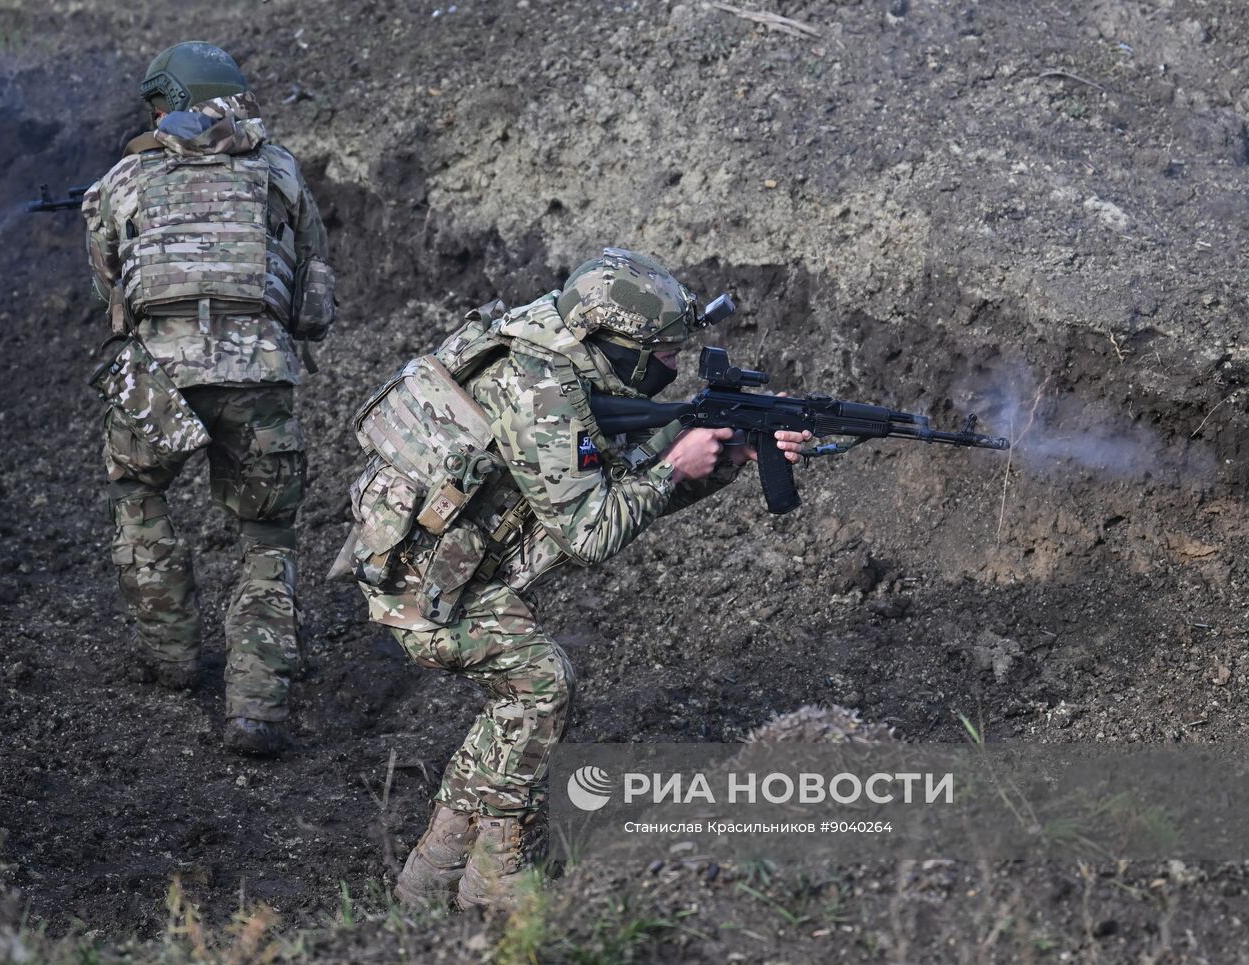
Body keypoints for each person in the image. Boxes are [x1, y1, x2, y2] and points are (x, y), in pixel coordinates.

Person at [331, 248, 808, 908]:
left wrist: (722, 454)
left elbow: (614, 472)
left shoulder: (550, 345)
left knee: (514, 704)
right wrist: (674, 466)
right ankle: (498, 886)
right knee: (541, 685)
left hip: (437, 561)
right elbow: (590, 532)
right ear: (623, 346)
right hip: (423, 588)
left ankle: (433, 872)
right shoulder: (542, 391)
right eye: (666, 352)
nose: (673, 366)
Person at [82, 42, 336, 755]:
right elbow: (314, 305)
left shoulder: (123, 177)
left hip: (159, 375)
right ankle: (256, 704)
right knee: (266, 538)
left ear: (170, 102)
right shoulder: (279, 171)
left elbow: (113, 294)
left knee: (141, 499)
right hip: (258, 372)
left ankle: (170, 658)